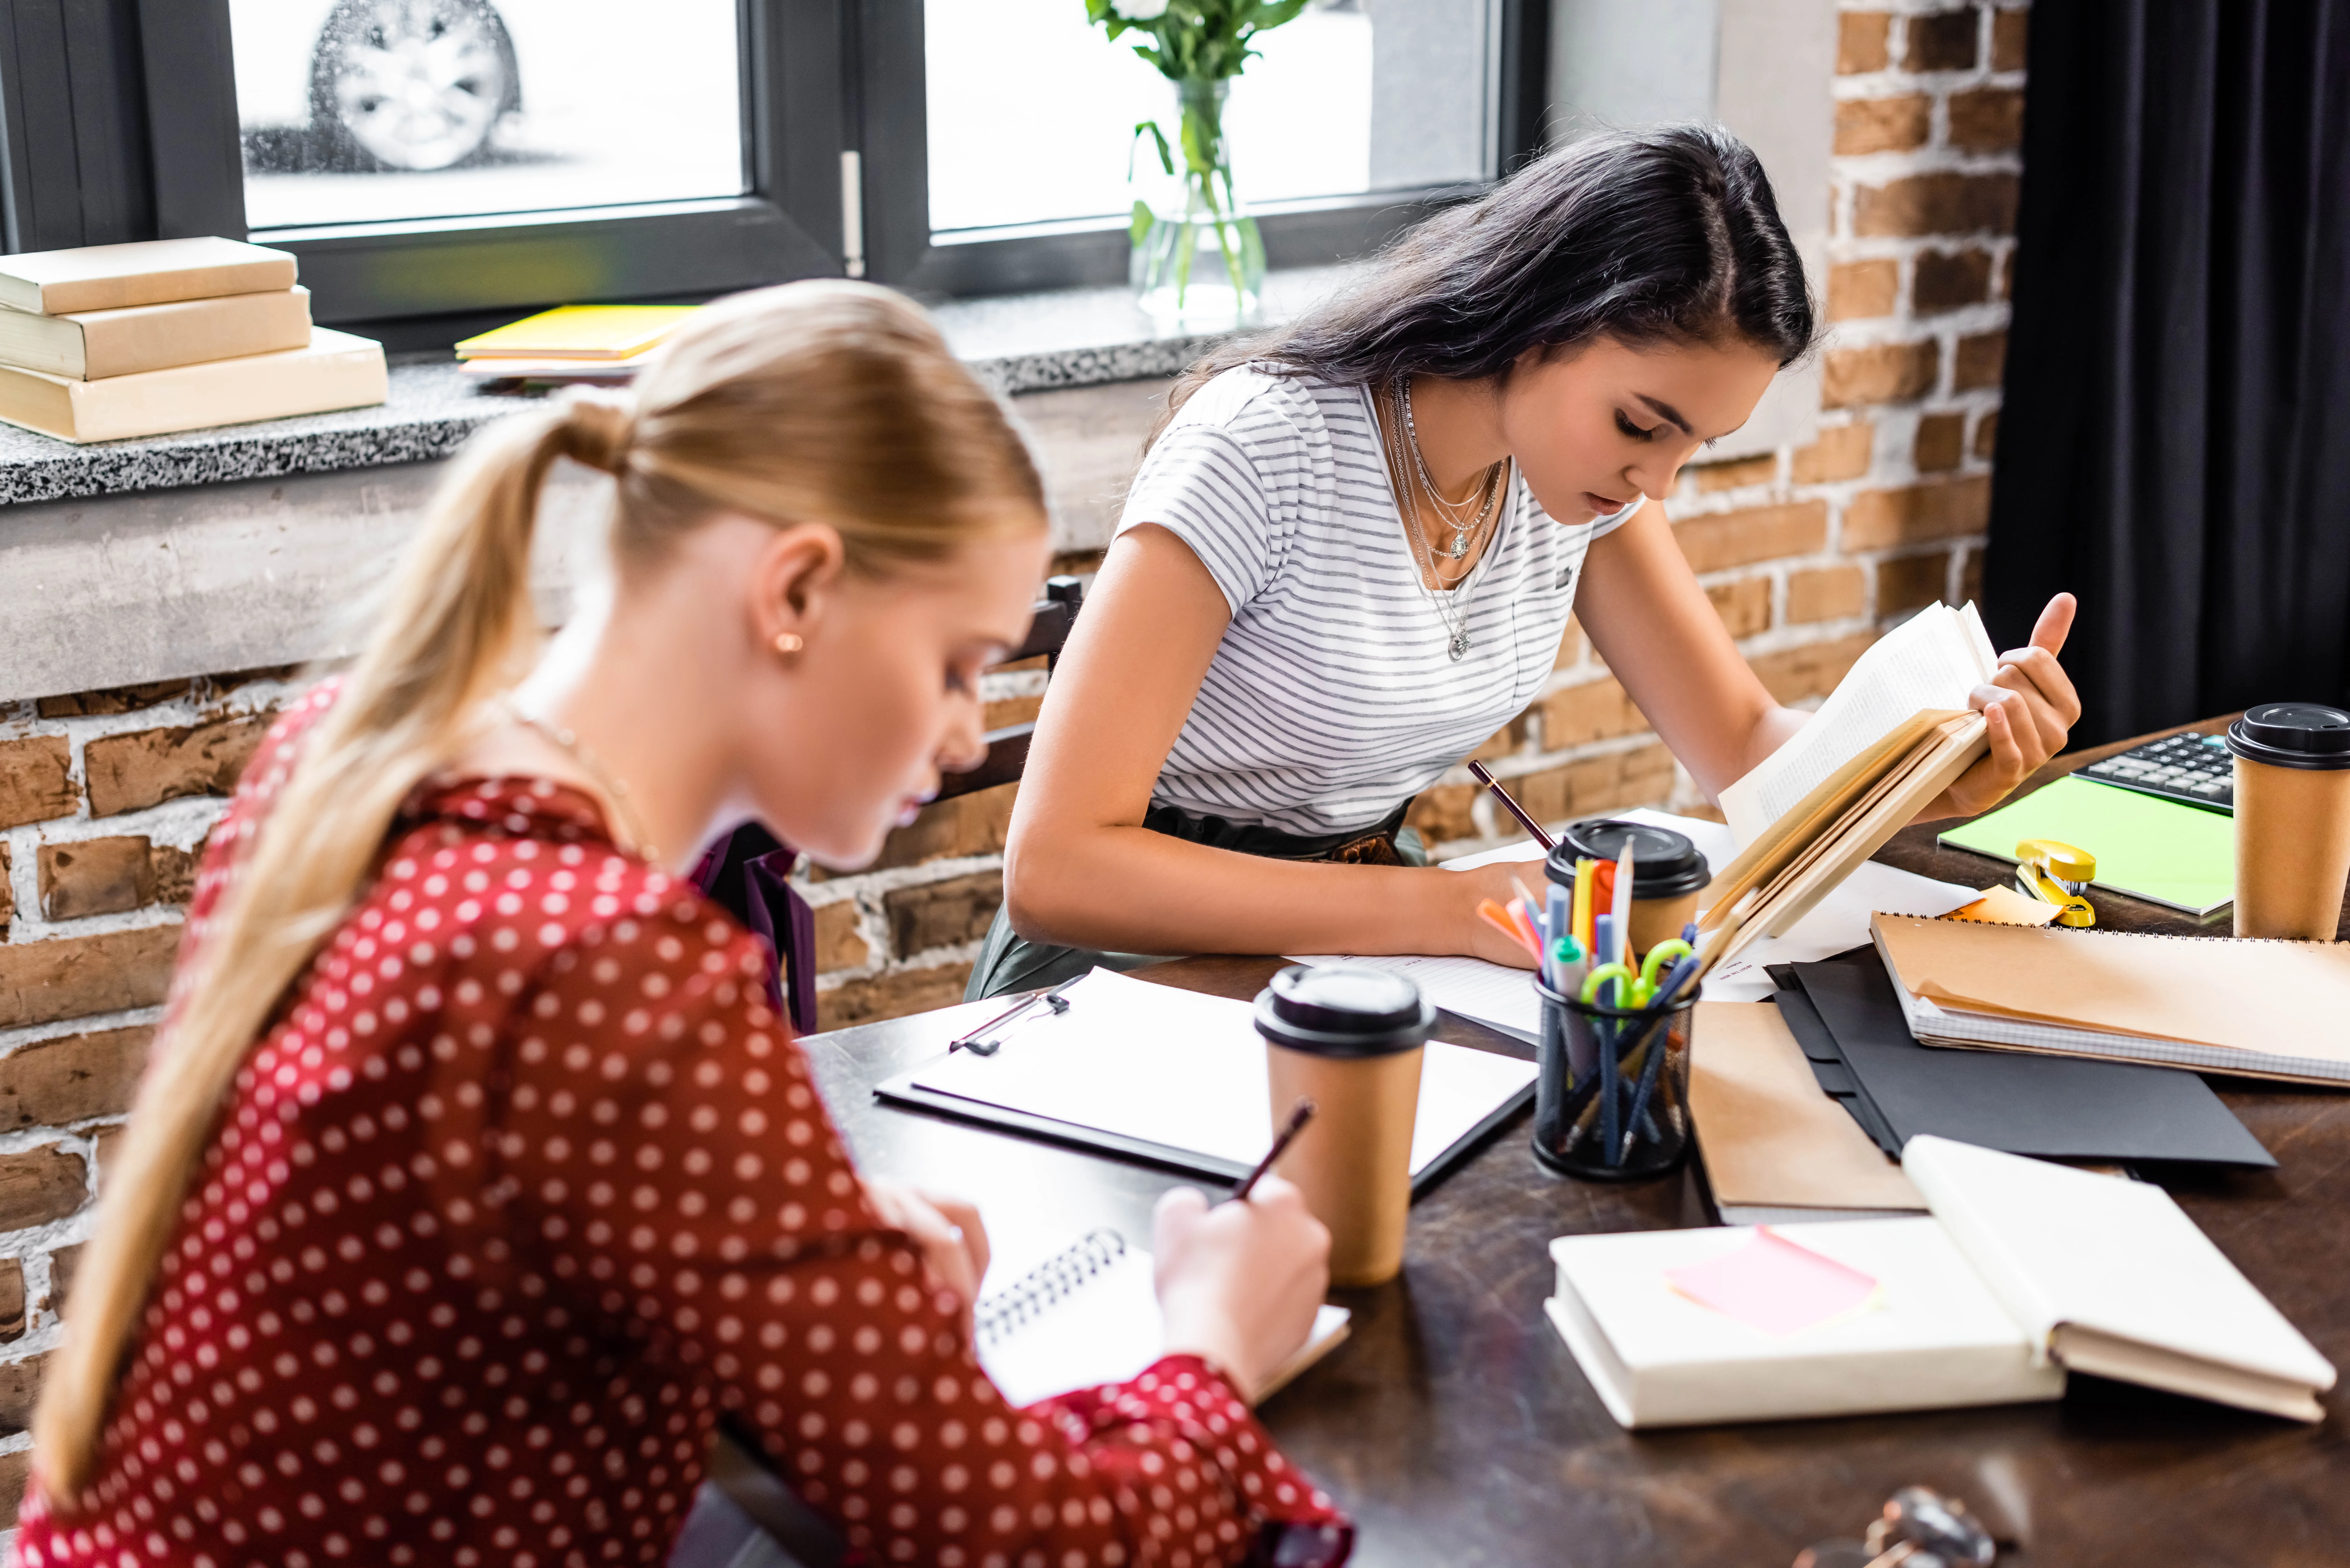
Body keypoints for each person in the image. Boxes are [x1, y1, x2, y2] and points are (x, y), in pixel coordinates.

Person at [15, 283, 1348, 1568]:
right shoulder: (613, 973)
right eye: (954, 665)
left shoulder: (351, 754)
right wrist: (1211, 1348)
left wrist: (785, 1231)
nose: (960, 733)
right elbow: (1027, 1539)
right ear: (796, 593)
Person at [976, 125, 2080, 996]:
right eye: (1644, 425)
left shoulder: (1570, 485)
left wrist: (1932, 767)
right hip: (1132, 977)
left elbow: (1743, 747)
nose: (1661, 483)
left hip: (1357, 949)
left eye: (1699, 445)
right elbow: (1059, 871)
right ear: (1541, 320)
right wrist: (1457, 913)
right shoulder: (1262, 449)